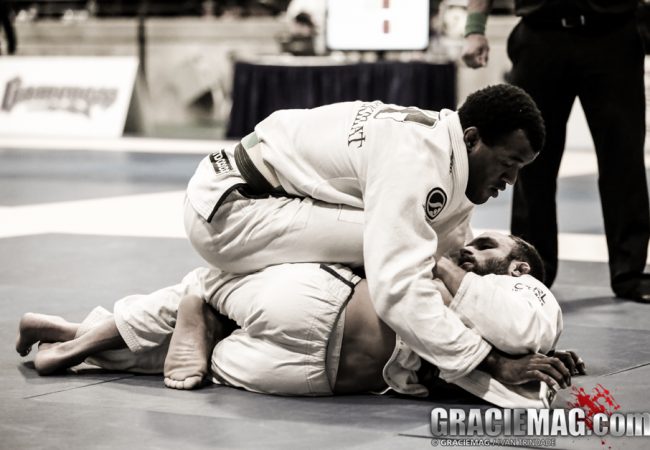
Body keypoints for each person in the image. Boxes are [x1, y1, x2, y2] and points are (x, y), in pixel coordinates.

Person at [183, 84, 546, 387]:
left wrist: (527, 350)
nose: (511, 180)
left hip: (257, 199)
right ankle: (200, 294)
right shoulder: (416, 160)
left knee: (426, 252)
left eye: (521, 168)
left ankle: (204, 305)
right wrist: (489, 361)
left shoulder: (449, 152)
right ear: (472, 139)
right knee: (406, 253)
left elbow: (458, 264)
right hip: (231, 211)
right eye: (508, 163)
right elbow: (398, 286)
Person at [16, 232, 585, 407]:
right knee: (206, 295)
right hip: (319, 309)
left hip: (307, 378)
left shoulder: (521, 295)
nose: (467, 248)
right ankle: (190, 300)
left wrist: (514, 360)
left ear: (519, 268)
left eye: (485, 246)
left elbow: (524, 328)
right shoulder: (445, 270)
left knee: (197, 350)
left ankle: (74, 337)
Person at [462, 0, 650, 302]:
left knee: (623, 158)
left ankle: (630, 272)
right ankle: (531, 268)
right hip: (541, 33)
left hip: (612, 33)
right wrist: (474, 28)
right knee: (529, 163)